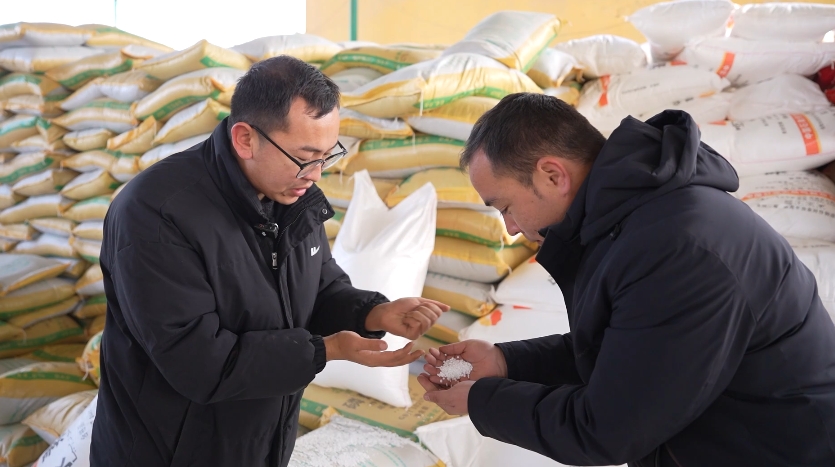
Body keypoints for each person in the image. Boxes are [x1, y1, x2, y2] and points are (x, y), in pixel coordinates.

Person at [419, 93, 835, 466]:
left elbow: (607, 430)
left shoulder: (678, 249)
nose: (510, 228)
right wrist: (505, 362)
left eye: (505, 207)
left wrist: (481, 401)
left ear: (552, 175)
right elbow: (628, 349)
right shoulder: (632, 221)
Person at [92, 56, 448, 467]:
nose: (316, 174)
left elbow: (319, 289)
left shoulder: (291, 196)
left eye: (326, 156)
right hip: (170, 453)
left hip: (260, 445)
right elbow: (199, 363)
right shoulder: (155, 214)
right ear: (245, 139)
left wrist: (373, 313)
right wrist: (326, 350)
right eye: (305, 157)